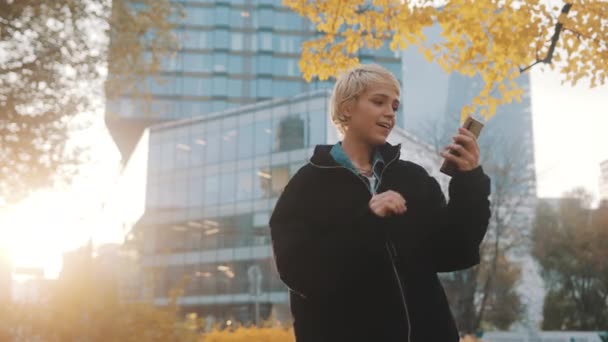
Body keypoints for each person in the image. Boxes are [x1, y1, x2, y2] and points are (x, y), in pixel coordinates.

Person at [269, 64, 491, 341]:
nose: (390, 113)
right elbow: (300, 273)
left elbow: (455, 250)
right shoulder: (306, 186)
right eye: (378, 102)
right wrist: (368, 220)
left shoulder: (413, 178)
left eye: (395, 106)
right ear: (347, 108)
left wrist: (469, 182)